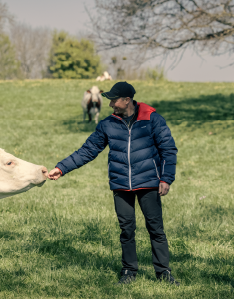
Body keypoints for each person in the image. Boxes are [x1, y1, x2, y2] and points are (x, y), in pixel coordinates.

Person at [48, 81, 179, 286]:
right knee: (126, 230)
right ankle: (128, 271)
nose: (110, 105)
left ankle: (163, 273)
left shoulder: (152, 119)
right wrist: (62, 168)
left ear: (127, 100)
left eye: (114, 100)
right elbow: (88, 150)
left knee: (156, 228)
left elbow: (168, 150)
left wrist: (166, 178)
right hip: (120, 185)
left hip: (148, 182)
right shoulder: (108, 124)